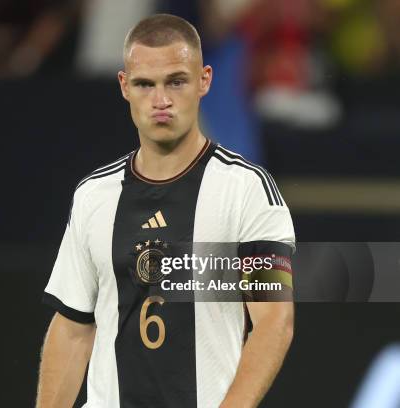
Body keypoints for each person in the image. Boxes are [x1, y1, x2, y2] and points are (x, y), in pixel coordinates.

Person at [37, 14, 295, 408]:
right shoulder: (94, 195)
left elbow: (274, 322)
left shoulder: (246, 189)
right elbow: (73, 325)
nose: (161, 100)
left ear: (205, 80)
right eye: (145, 84)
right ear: (124, 86)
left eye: (176, 81)